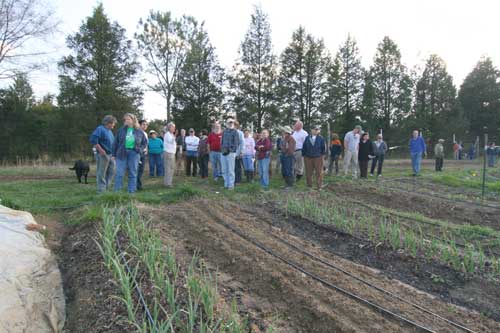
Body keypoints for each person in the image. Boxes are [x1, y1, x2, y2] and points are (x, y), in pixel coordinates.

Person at [112, 113, 147, 193]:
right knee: (119, 173)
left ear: (133, 120)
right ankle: (117, 193)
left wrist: (140, 150)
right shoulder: (121, 130)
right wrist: (113, 154)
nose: (126, 121)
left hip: (134, 154)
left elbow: (144, 143)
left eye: (128, 119)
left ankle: (131, 192)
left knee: (133, 173)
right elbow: (115, 143)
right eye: (125, 119)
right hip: (121, 153)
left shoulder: (139, 131)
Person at [89, 115, 117, 193]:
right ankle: (101, 191)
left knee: (112, 171)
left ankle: (107, 187)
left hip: (111, 155)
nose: (114, 125)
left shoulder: (110, 131)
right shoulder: (100, 129)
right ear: (108, 123)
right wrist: (101, 150)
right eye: (113, 123)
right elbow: (93, 140)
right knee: (101, 172)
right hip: (103, 155)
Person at [302, 125, 326, 189]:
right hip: (308, 157)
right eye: (314, 129)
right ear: (311, 130)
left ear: (318, 131)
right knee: (308, 172)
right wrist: (304, 155)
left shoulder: (321, 138)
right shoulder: (307, 138)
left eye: (317, 130)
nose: (315, 131)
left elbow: (323, 148)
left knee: (319, 172)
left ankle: (319, 186)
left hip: (318, 157)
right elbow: (304, 147)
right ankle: (309, 186)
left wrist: (322, 157)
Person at [221, 117, 240, 190]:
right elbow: (222, 142)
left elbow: (236, 143)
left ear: (233, 123)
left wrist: (230, 150)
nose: (230, 123)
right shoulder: (224, 131)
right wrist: (222, 150)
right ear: (226, 123)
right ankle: (226, 184)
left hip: (231, 153)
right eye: (229, 122)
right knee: (224, 169)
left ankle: (231, 185)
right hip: (223, 152)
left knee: (231, 170)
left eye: (232, 122)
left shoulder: (235, 132)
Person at [163, 122, 177, 187]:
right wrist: (175, 135)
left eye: (174, 127)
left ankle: (168, 182)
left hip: (172, 153)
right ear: (169, 128)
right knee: (169, 168)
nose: (174, 128)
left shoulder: (171, 134)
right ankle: (168, 183)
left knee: (171, 168)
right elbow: (171, 141)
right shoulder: (167, 134)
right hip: (168, 153)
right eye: (173, 127)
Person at [136, 120, 148, 191]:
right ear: (139, 125)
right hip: (138, 153)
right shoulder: (137, 132)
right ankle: (136, 185)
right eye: (143, 124)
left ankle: (139, 185)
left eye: (146, 124)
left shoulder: (145, 134)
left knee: (141, 170)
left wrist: (147, 151)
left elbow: (146, 144)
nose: (145, 126)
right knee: (136, 169)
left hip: (144, 154)